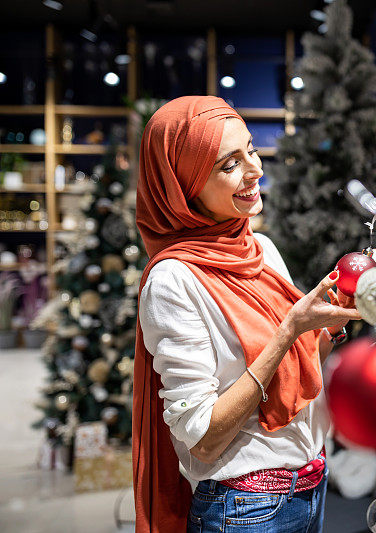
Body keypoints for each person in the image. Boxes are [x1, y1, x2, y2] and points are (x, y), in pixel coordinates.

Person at [133, 95, 360, 533]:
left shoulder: (260, 248)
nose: (255, 170)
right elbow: (202, 439)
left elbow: (297, 374)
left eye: (251, 150)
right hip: (245, 510)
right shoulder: (173, 282)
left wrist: (331, 326)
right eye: (229, 164)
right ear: (184, 186)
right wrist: (290, 328)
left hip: (311, 486)